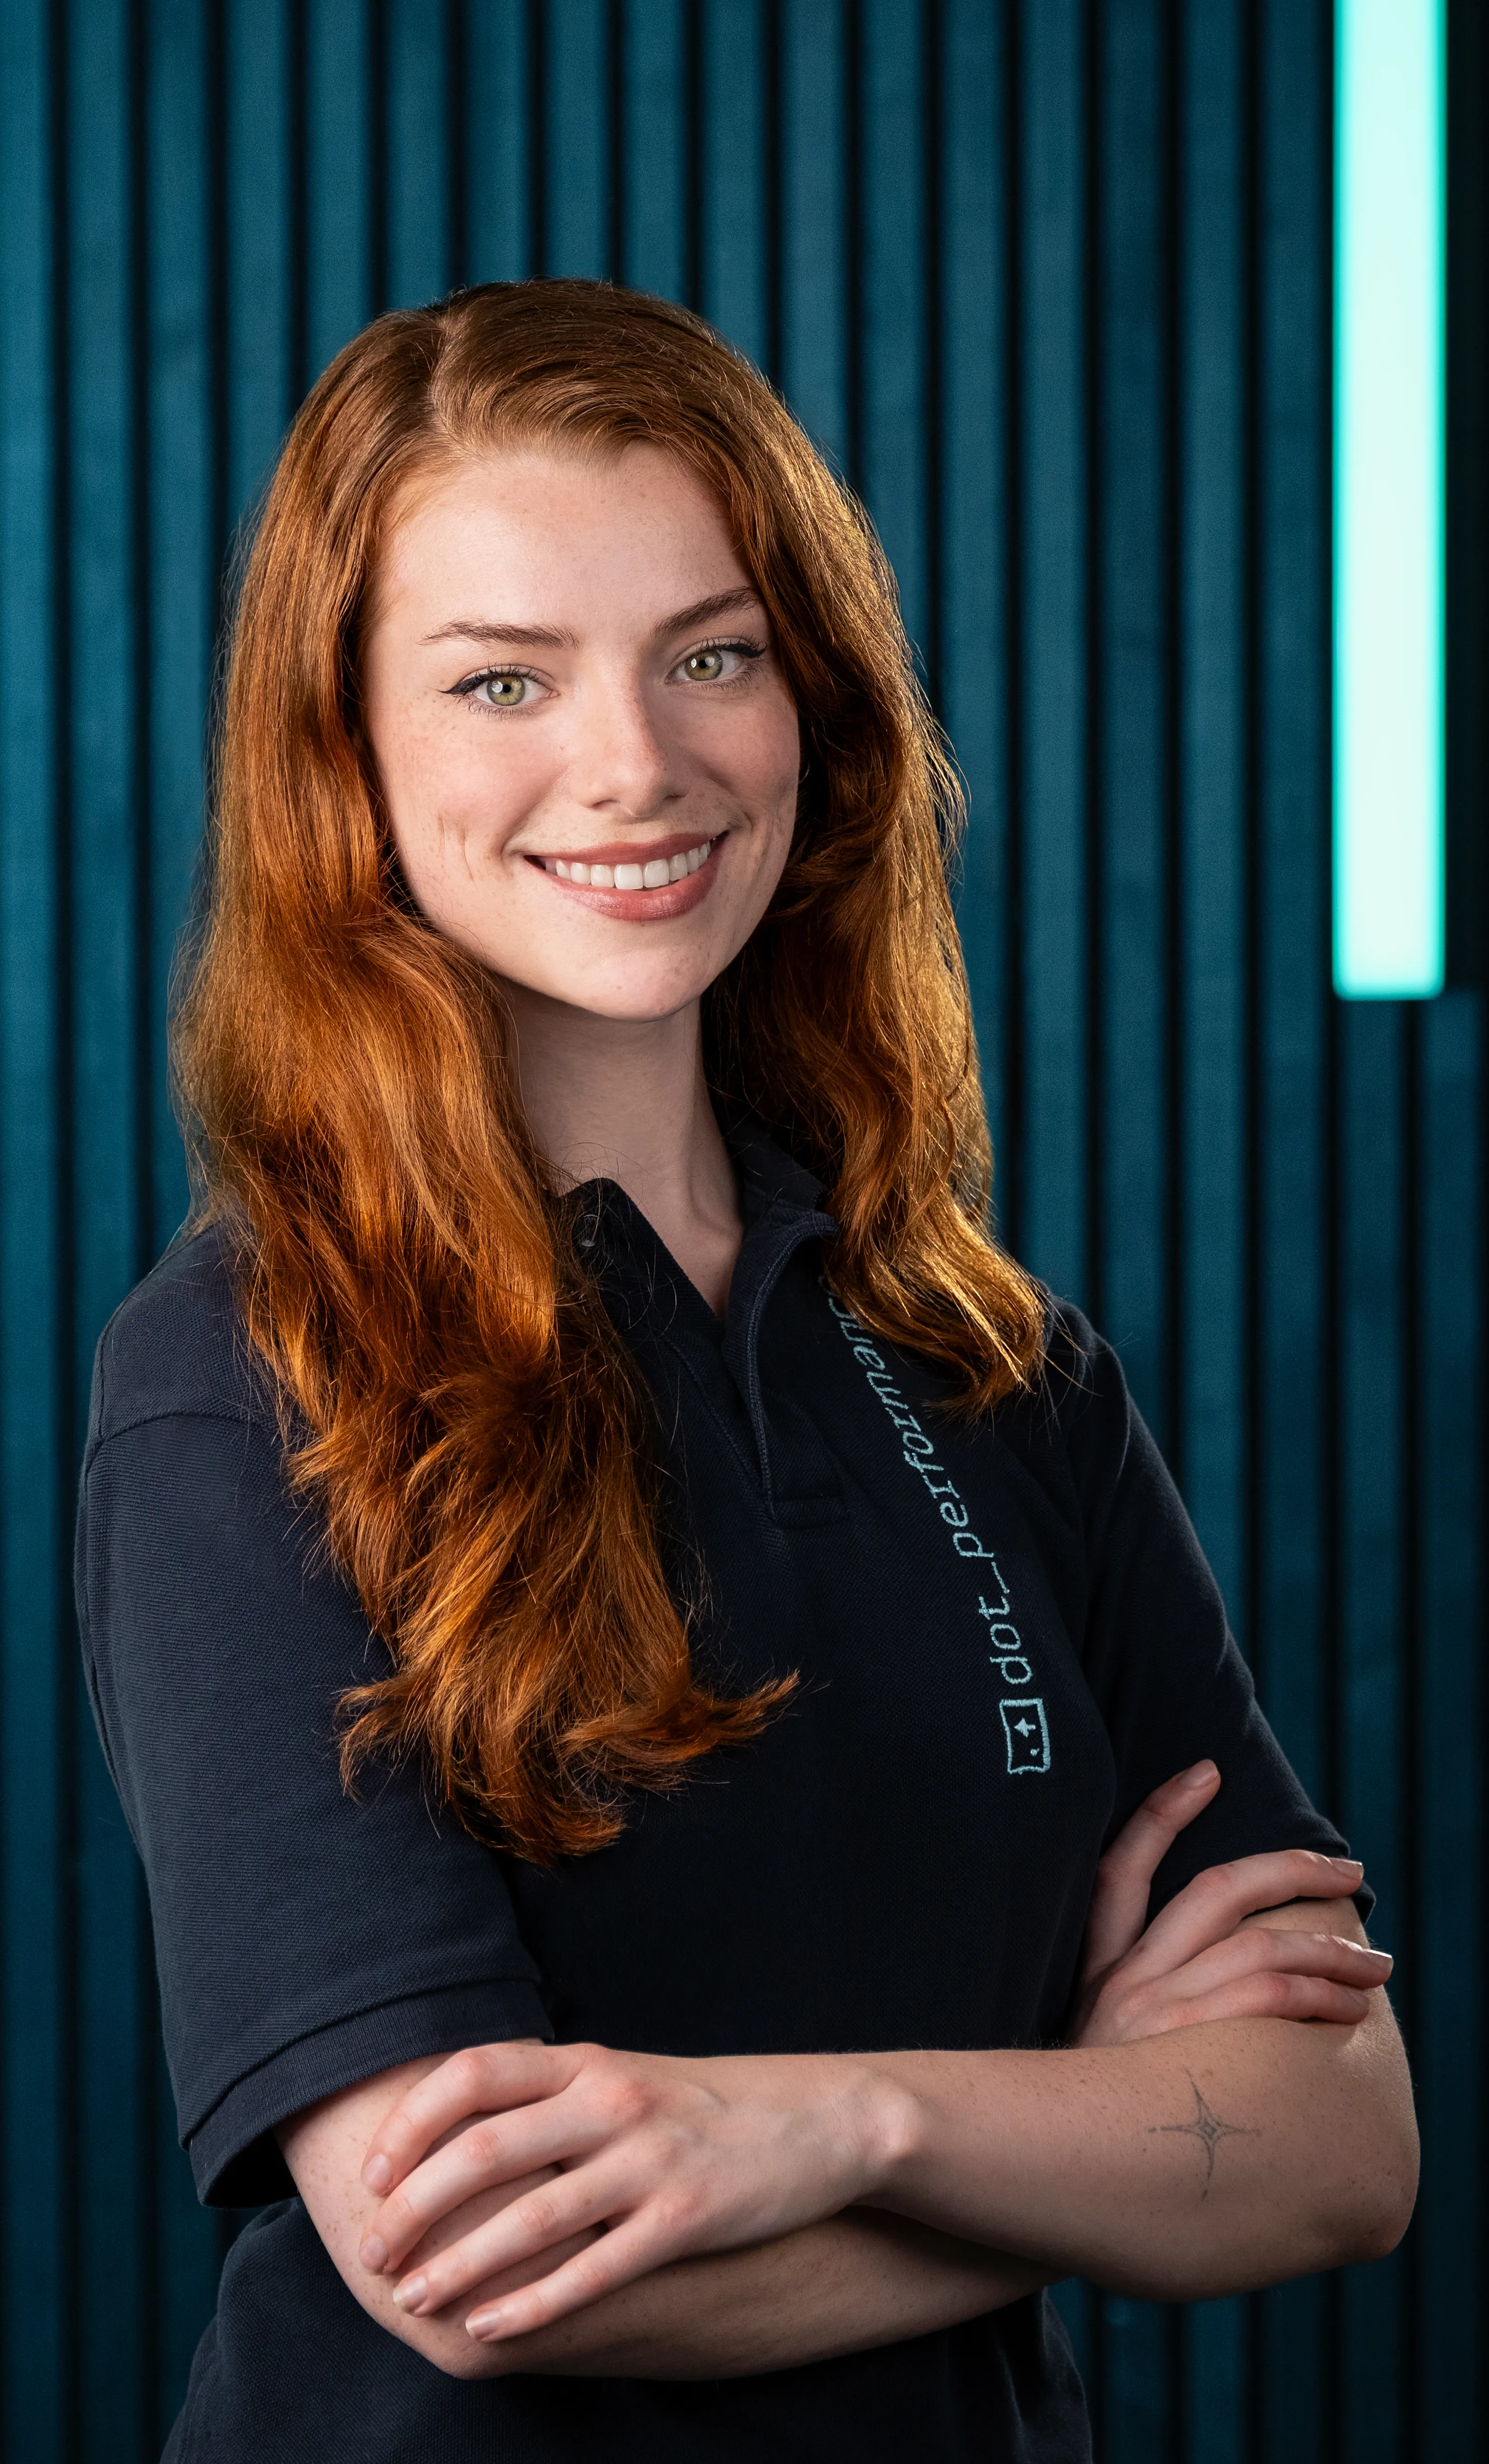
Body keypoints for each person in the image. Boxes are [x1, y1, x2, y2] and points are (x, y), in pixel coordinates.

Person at [75, 280, 1416, 2462]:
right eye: (501, 679)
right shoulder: (248, 1374)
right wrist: (1086, 2132)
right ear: (347, 758)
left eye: (712, 653)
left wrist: (837, 2123)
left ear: (817, 701)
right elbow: (477, 2266)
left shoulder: (999, 1364)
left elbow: (1343, 2145)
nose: (636, 761)